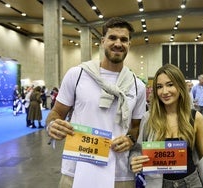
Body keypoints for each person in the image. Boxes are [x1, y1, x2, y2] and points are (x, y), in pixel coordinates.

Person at [45, 17, 146, 188]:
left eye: (124, 39)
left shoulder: (138, 86)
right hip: (76, 170)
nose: (118, 43)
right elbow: (56, 113)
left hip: (120, 174)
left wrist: (130, 139)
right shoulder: (77, 75)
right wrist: (52, 125)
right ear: (103, 41)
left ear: (129, 44)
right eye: (113, 38)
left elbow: (135, 126)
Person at [130, 64, 203, 188]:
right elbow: (137, 149)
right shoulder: (149, 118)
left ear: (179, 86)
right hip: (158, 184)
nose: (164, 91)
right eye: (159, 87)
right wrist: (134, 160)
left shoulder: (195, 117)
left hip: (191, 183)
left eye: (170, 85)